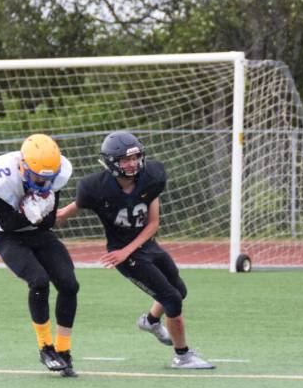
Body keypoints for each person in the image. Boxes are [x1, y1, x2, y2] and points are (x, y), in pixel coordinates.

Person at [56, 131, 214, 369]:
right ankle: (182, 356)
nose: (131, 164)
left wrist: (128, 249)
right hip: (123, 254)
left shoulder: (152, 176)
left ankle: (150, 321)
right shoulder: (94, 187)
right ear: (111, 162)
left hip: (141, 246)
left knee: (179, 290)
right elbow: (71, 209)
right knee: (171, 299)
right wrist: (49, 219)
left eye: (135, 157)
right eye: (125, 160)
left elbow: (153, 224)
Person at [0, 134, 80, 377]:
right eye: (37, 177)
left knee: (69, 284)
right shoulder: (1, 177)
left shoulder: (56, 175)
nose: (43, 183)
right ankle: (46, 348)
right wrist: (30, 211)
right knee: (39, 281)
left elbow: (47, 224)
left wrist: (38, 213)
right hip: (7, 236)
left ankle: (64, 351)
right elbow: (7, 224)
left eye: (48, 179)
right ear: (22, 167)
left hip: (38, 233)